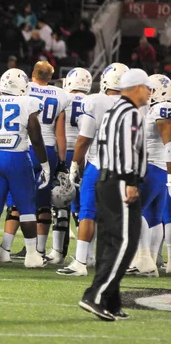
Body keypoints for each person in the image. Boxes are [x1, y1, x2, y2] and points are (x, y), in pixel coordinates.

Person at [79, 69, 151, 322]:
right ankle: (96, 296)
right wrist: (131, 181)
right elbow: (127, 148)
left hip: (106, 179)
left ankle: (110, 301)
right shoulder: (130, 112)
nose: (150, 92)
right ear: (136, 87)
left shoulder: (113, 109)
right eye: (146, 87)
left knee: (109, 241)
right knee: (125, 242)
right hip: (120, 181)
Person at [0, 68, 49, 268]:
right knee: (26, 207)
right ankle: (32, 255)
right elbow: (36, 138)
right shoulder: (28, 103)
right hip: (18, 159)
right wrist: (45, 164)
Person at [57, 63, 127, 276]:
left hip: (99, 165)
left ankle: (80, 262)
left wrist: (75, 165)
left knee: (87, 212)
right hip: (125, 167)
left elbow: (84, 139)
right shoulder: (134, 104)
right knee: (119, 216)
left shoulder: (96, 101)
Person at [0, 61, 68, 262]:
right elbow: (60, 134)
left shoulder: (23, 89)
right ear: (51, 77)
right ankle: (40, 250)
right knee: (44, 203)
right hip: (48, 150)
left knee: (16, 202)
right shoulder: (60, 95)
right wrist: (61, 162)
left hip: (24, 147)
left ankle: (5, 249)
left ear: (32, 74)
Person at [125, 73, 171, 277]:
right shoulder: (154, 109)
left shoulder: (161, 108)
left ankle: (142, 259)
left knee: (134, 211)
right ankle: (150, 263)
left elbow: (168, 142)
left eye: (151, 89)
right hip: (160, 170)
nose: (148, 92)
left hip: (152, 167)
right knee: (154, 217)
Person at [50, 68, 93, 260]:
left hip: (64, 153)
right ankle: (88, 254)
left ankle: (58, 251)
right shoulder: (92, 101)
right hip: (86, 156)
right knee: (85, 207)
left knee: (59, 204)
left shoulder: (62, 99)